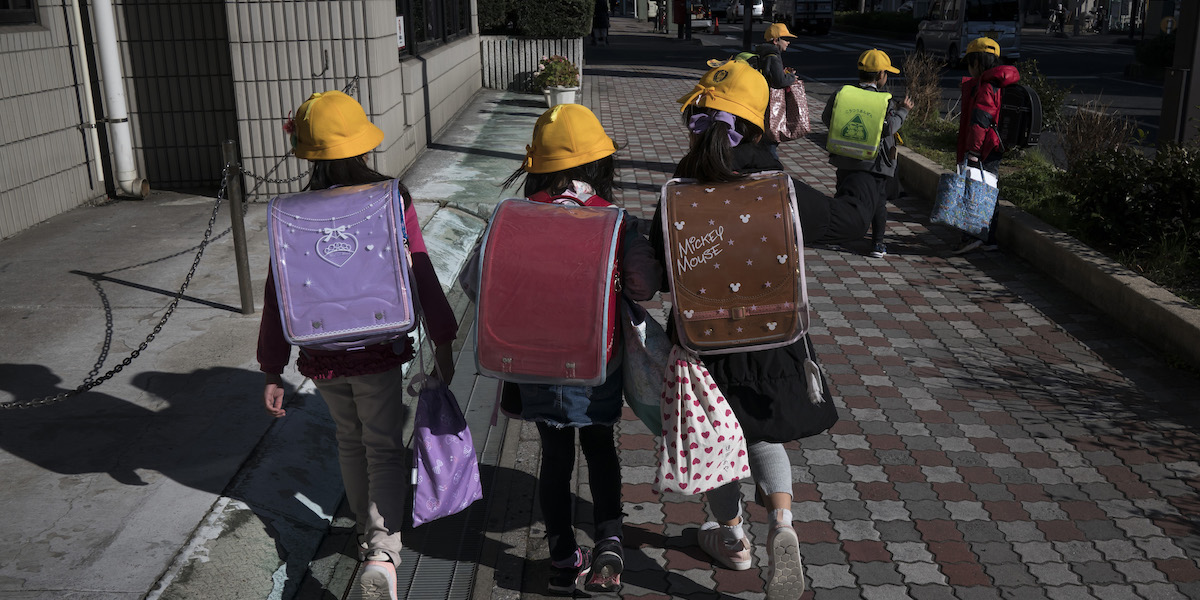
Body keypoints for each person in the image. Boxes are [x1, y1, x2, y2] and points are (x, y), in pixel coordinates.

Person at [257, 90, 458, 600]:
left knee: (351, 440)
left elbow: (277, 289)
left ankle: (367, 532)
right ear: (361, 144)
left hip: (321, 352)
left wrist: (272, 367)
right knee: (385, 447)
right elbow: (419, 267)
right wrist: (444, 334)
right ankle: (382, 552)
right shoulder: (390, 197)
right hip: (376, 345)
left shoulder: (290, 212)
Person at [654, 59, 838, 600]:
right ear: (759, 121)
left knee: (718, 443)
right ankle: (783, 525)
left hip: (702, 345)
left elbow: (661, 273)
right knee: (762, 434)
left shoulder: (679, 190)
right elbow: (844, 223)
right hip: (774, 340)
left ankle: (732, 538)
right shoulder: (781, 187)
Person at [466, 104, 661, 595]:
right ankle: (610, 547)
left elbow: (474, 281)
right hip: (598, 363)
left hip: (533, 365)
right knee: (600, 450)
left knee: (554, 457)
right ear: (598, 167)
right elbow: (643, 286)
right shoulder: (617, 222)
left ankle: (560, 558)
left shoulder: (512, 220)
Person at [820, 48, 912, 258]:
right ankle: (877, 243)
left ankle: (837, 236)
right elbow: (889, 128)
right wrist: (903, 111)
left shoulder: (842, 94)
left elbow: (827, 118)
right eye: (886, 73)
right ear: (881, 75)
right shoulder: (883, 101)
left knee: (842, 196)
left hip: (844, 159)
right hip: (874, 163)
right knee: (878, 202)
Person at [951, 37, 1020, 254]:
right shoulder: (1001, 82)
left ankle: (972, 236)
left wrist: (973, 152)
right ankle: (989, 238)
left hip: (982, 147)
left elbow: (980, 121)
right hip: (996, 144)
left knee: (974, 190)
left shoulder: (986, 86)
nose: (969, 68)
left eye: (970, 63)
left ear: (978, 63)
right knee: (989, 190)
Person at [754, 22, 799, 158]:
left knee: (764, 137)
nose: (788, 43)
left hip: (761, 99)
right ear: (775, 40)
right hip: (770, 103)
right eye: (786, 39)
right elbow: (780, 81)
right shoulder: (774, 56)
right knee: (771, 140)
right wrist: (792, 77)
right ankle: (772, 166)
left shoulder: (764, 53)